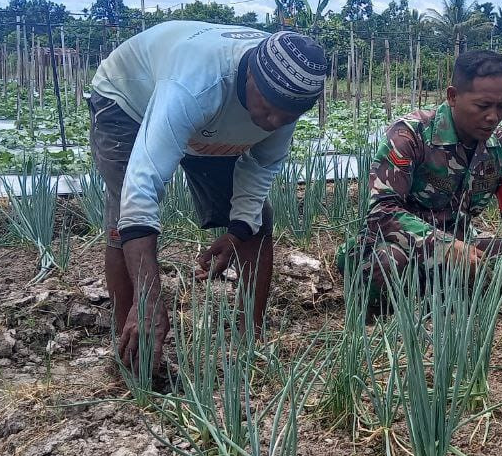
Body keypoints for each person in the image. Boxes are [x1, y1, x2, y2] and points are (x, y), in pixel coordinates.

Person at [89, 21, 327, 372]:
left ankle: (251, 342)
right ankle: (132, 349)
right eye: (270, 106)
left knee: (259, 220)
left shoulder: (289, 93)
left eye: (288, 116)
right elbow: (140, 190)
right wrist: (150, 298)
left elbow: (259, 169)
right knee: (122, 213)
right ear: (250, 78)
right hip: (127, 101)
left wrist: (237, 231)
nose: (276, 121)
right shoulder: (196, 85)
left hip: (209, 119)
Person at [338, 50, 502, 315]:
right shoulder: (410, 135)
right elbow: (381, 212)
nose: (493, 116)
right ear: (453, 96)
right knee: (386, 265)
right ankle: (430, 302)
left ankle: (447, 298)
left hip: (463, 249)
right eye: (483, 106)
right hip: (399, 246)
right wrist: (442, 245)